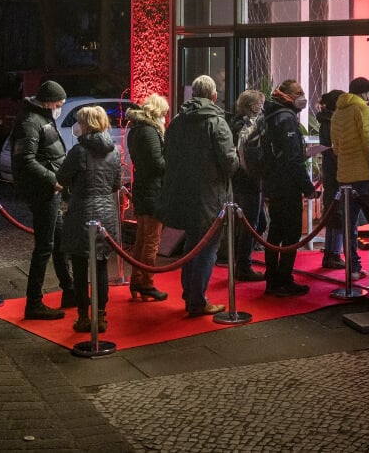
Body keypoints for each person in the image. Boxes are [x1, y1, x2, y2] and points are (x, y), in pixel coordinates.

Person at [156, 75, 237, 317]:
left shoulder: (178, 122)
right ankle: (197, 300)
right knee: (207, 249)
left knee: (192, 246)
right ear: (214, 96)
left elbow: (167, 155)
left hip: (184, 193)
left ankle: (190, 294)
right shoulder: (216, 122)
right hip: (210, 197)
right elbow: (229, 163)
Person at [11, 79, 75, 320]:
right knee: (44, 247)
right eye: (59, 102)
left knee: (59, 243)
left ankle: (69, 291)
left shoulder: (42, 117)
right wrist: (52, 180)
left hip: (51, 190)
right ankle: (34, 303)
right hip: (43, 192)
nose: (61, 106)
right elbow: (25, 160)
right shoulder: (30, 121)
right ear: (48, 102)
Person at [57, 105, 121, 333]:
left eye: (80, 121)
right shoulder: (114, 151)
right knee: (102, 267)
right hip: (106, 213)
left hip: (82, 211)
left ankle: (83, 316)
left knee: (81, 267)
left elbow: (62, 176)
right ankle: (101, 316)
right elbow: (116, 184)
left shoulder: (79, 152)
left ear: (86, 124)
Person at [261, 80, 318, 297]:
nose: (303, 95)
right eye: (298, 92)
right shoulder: (286, 118)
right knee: (290, 235)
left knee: (275, 233)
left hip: (274, 183)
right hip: (286, 187)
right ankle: (283, 280)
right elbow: (293, 159)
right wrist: (307, 186)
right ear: (286, 95)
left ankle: (272, 279)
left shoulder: (271, 115)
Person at [125, 93, 169, 301]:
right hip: (153, 191)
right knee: (151, 240)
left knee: (141, 239)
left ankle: (136, 281)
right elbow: (157, 164)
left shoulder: (135, 129)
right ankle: (147, 284)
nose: (165, 118)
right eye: (164, 114)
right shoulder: (149, 132)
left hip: (142, 188)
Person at [331, 77, 369, 279]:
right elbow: (368, 141)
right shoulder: (362, 110)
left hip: (344, 175)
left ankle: (353, 268)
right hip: (363, 175)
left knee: (349, 224)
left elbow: (336, 146)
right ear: (365, 93)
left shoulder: (338, 112)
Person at [226, 89, 266, 282]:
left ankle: (242, 260)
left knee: (252, 222)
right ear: (253, 106)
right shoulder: (248, 126)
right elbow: (245, 154)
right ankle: (244, 265)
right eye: (260, 103)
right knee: (250, 223)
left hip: (239, 179)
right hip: (249, 180)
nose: (262, 107)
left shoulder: (233, 123)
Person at [316, 89, 346, 270]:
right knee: (337, 212)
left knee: (334, 211)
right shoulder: (332, 123)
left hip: (330, 171)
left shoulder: (325, 121)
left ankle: (331, 251)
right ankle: (333, 254)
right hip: (336, 172)